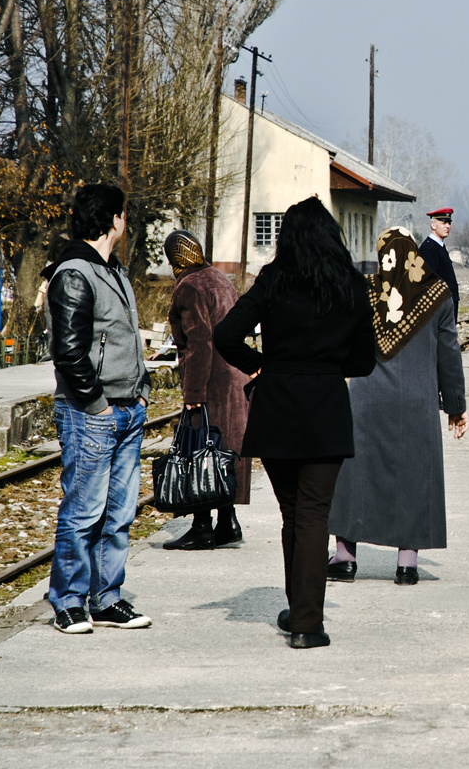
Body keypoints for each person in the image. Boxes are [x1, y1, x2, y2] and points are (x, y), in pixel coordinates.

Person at [213, 197, 375, 649]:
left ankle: (299, 609)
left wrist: (261, 364)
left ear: (288, 238)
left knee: (293, 515)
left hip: (278, 407)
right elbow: (364, 361)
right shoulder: (350, 285)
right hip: (325, 410)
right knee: (314, 516)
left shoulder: (274, 279)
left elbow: (225, 335)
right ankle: (307, 621)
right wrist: (325, 364)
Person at [327, 227, 468, 586]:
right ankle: (407, 564)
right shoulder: (439, 294)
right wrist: (455, 406)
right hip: (418, 401)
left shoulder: (364, 291)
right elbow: (449, 355)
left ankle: (344, 558)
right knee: (415, 475)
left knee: (355, 475)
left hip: (365, 399)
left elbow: (340, 341)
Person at [41, 183, 153, 634]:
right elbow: (67, 352)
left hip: (128, 408)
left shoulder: (115, 271)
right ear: (114, 219)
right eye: (124, 214)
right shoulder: (74, 273)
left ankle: (106, 598)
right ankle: (68, 601)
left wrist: (141, 392)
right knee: (84, 511)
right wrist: (98, 406)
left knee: (120, 513)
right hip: (92, 412)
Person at [162, 229, 251, 550]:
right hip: (235, 377)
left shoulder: (189, 287)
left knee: (200, 448)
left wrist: (193, 393)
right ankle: (227, 522)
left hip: (211, 379)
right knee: (223, 450)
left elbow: (198, 342)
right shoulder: (219, 278)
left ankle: (202, 525)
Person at [418, 207, 459, 309]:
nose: (447, 226)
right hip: (440, 304)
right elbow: (429, 280)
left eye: (449, 223)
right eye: (443, 223)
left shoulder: (439, 246)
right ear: (433, 225)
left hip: (448, 301)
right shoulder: (429, 248)